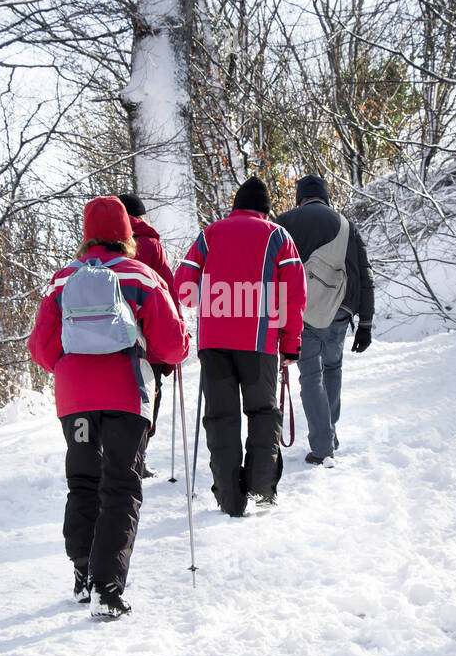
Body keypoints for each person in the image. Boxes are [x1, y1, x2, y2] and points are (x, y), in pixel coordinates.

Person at [28, 196, 189, 618]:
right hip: (126, 395)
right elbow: (172, 347)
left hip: (75, 398)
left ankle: (82, 573)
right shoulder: (143, 276)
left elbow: (40, 349)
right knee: (120, 485)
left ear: (87, 235)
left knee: (83, 481)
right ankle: (107, 587)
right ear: (127, 233)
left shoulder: (62, 281)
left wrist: (70, 368)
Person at [174, 176, 306, 516]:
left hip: (214, 343)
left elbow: (183, 286)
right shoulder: (277, 236)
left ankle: (230, 499)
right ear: (265, 209)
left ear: (236, 206)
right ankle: (262, 489)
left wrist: (209, 295)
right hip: (258, 342)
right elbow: (293, 297)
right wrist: (290, 345)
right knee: (262, 413)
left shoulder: (210, 234)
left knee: (221, 418)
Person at [274, 174, 375, 467]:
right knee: (333, 368)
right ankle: (328, 436)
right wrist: (365, 323)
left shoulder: (284, 222)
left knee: (310, 375)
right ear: (325, 196)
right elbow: (364, 274)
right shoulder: (345, 224)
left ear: (300, 197)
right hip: (339, 310)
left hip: (301, 312)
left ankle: (322, 446)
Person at [116, 193, 180, 478]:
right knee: (147, 396)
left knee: (113, 394)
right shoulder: (151, 245)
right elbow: (168, 292)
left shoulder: (99, 246)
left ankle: (114, 455)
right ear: (140, 217)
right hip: (147, 342)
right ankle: (137, 456)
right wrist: (176, 337)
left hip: (107, 341)